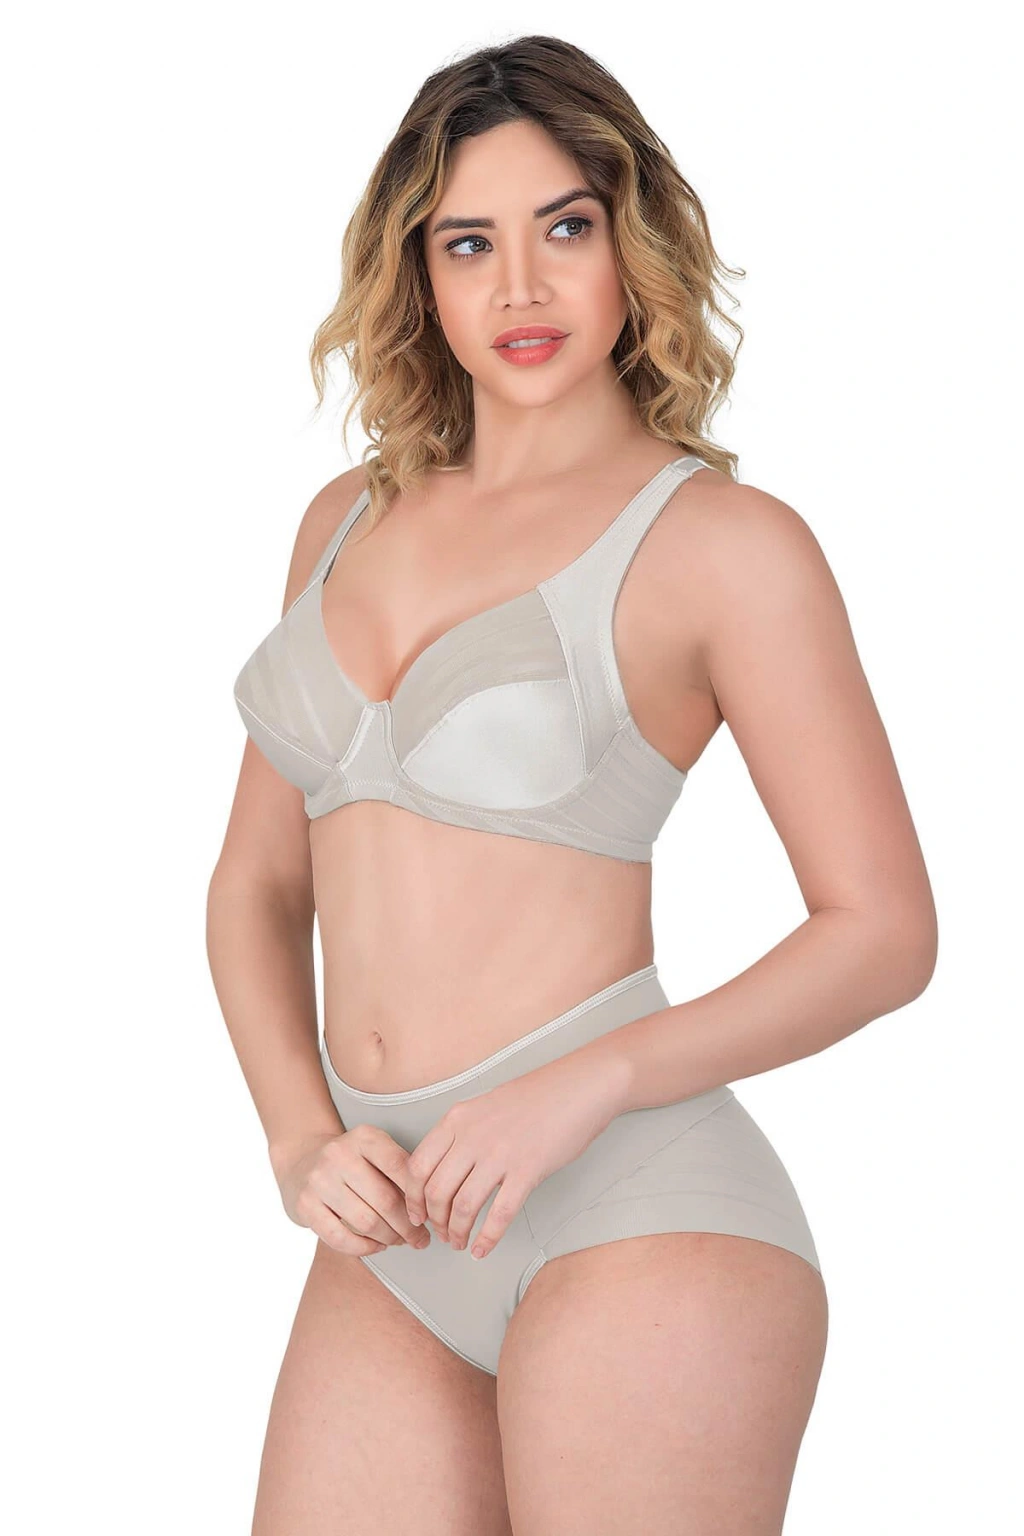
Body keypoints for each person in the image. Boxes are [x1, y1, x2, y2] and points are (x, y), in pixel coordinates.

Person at [206, 34, 937, 1536]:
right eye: (470, 243)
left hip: (637, 1208)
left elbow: (883, 932)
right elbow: (258, 884)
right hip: (393, 1230)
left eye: (565, 227)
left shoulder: (724, 547)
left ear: (631, 242)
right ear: (419, 272)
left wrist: (591, 1081)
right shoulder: (343, 522)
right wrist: (296, 1136)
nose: (521, 289)